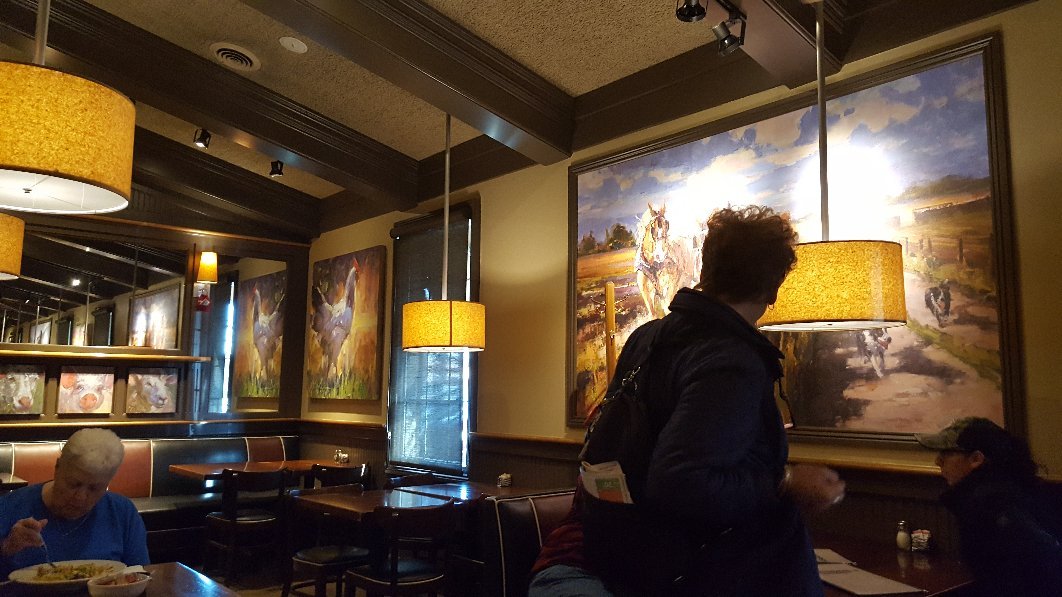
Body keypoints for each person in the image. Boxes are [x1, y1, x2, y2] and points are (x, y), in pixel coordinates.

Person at [530, 206, 845, 596]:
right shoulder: (731, 359)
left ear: (706, 270)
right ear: (773, 289)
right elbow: (682, 482)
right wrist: (787, 481)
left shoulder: (646, 337)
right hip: (697, 570)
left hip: (622, 556)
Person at [915, 417, 1062, 597]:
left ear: (976, 459)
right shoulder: (1006, 490)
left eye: (946, 453)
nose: (938, 461)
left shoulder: (991, 504)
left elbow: (1039, 564)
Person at [0, 428, 149, 577]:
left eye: (94, 488)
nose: (81, 497)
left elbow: (139, 576)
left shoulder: (122, 513)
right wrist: (6, 548)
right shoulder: (9, 507)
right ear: (57, 467)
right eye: (73, 484)